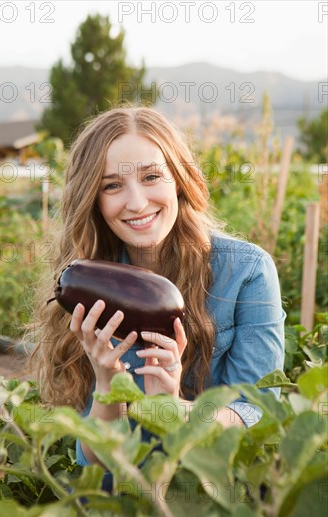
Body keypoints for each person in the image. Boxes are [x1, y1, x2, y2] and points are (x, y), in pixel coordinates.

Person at [30, 105, 286, 468]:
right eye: (113, 185)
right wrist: (108, 385)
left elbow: (259, 415)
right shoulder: (87, 285)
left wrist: (170, 406)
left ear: (179, 179)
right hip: (121, 500)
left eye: (151, 177)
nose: (136, 203)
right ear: (94, 200)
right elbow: (96, 462)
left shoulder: (247, 271)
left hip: (216, 494)